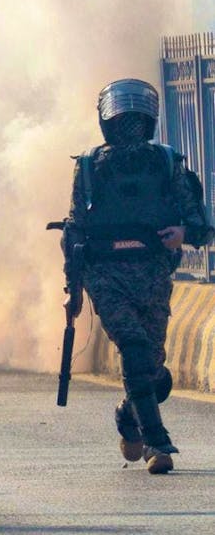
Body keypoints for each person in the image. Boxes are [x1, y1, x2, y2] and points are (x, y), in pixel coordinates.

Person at [63, 78, 214, 475]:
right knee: (131, 345)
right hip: (105, 274)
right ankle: (156, 442)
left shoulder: (167, 164)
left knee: (153, 374)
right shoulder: (90, 168)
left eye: (136, 122)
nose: (129, 131)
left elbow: (200, 224)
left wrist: (183, 233)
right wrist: (73, 289)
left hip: (151, 276)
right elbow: (75, 229)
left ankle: (128, 416)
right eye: (122, 122)